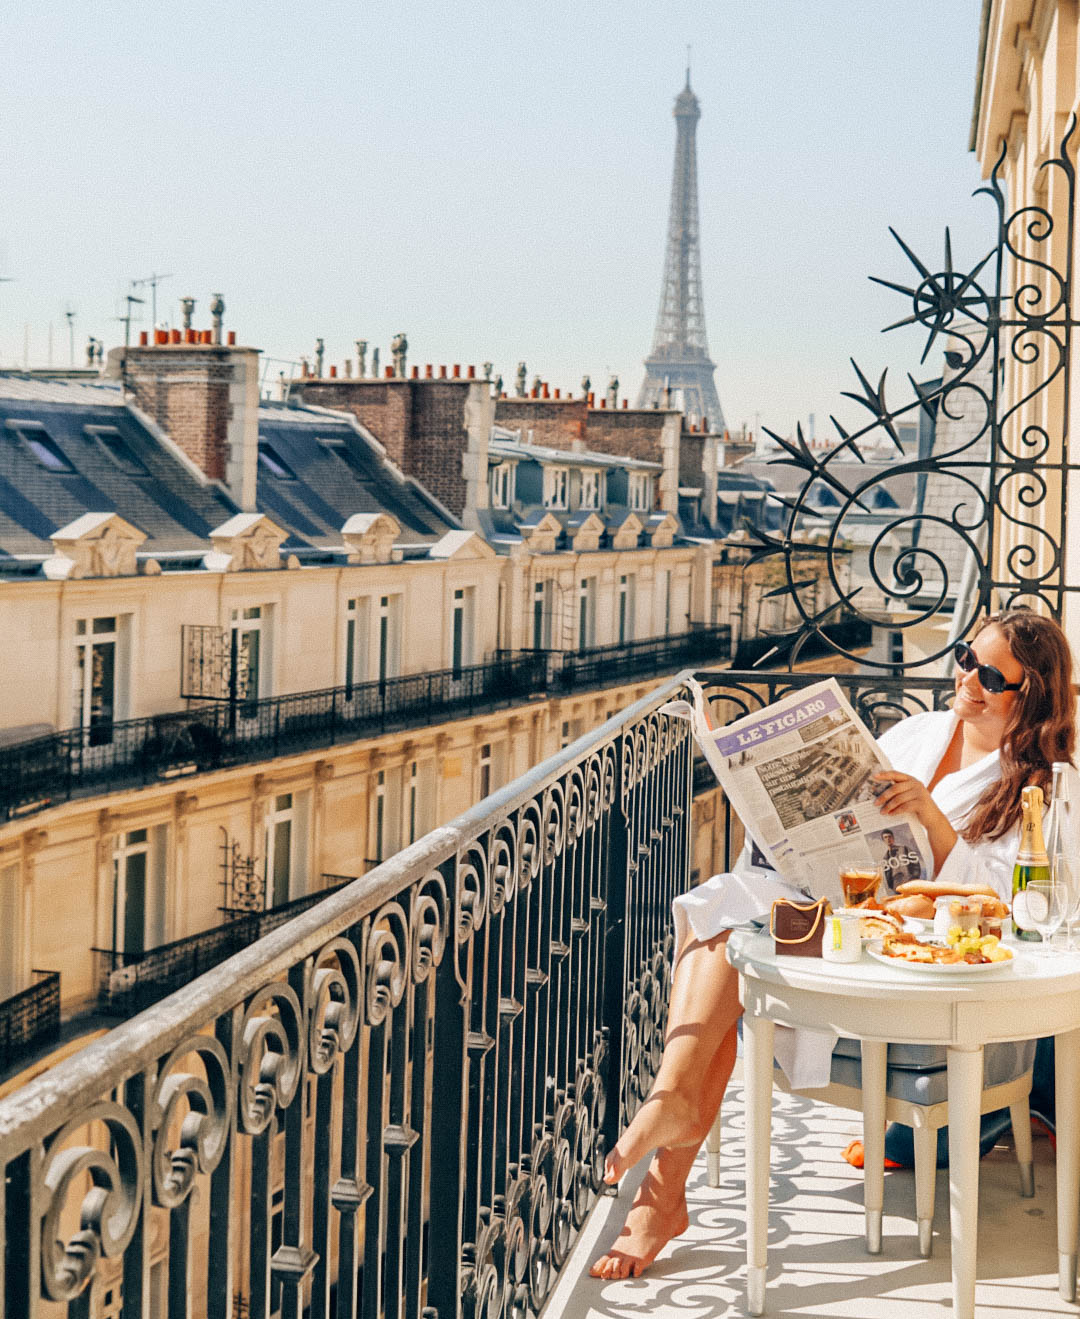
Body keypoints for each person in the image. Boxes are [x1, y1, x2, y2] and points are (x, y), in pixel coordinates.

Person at [590, 608, 1077, 1280]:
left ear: (1031, 694)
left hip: (921, 964)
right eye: (966, 656)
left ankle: (661, 1191)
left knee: (729, 951)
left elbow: (1008, 909)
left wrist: (930, 818)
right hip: (844, 922)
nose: (966, 677)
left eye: (991, 674)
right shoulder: (917, 731)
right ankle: (669, 1120)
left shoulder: (1043, 783)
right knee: (726, 910)